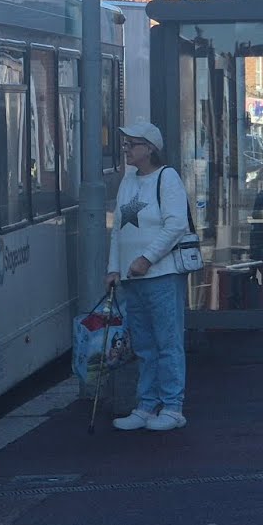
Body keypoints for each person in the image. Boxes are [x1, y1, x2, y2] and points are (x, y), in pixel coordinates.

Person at [104, 120, 191, 432]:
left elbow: (176, 225)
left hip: (161, 275)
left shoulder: (167, 179)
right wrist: (114, 267)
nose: (126, 149)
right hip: (132, 276)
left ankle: (172, 406)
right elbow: (119, 231)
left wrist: (146, 258)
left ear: (150, 148)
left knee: (167, 341)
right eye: (125, 144)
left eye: (132, 144)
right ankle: (146, 405)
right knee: (143, 344)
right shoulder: (128, 181)